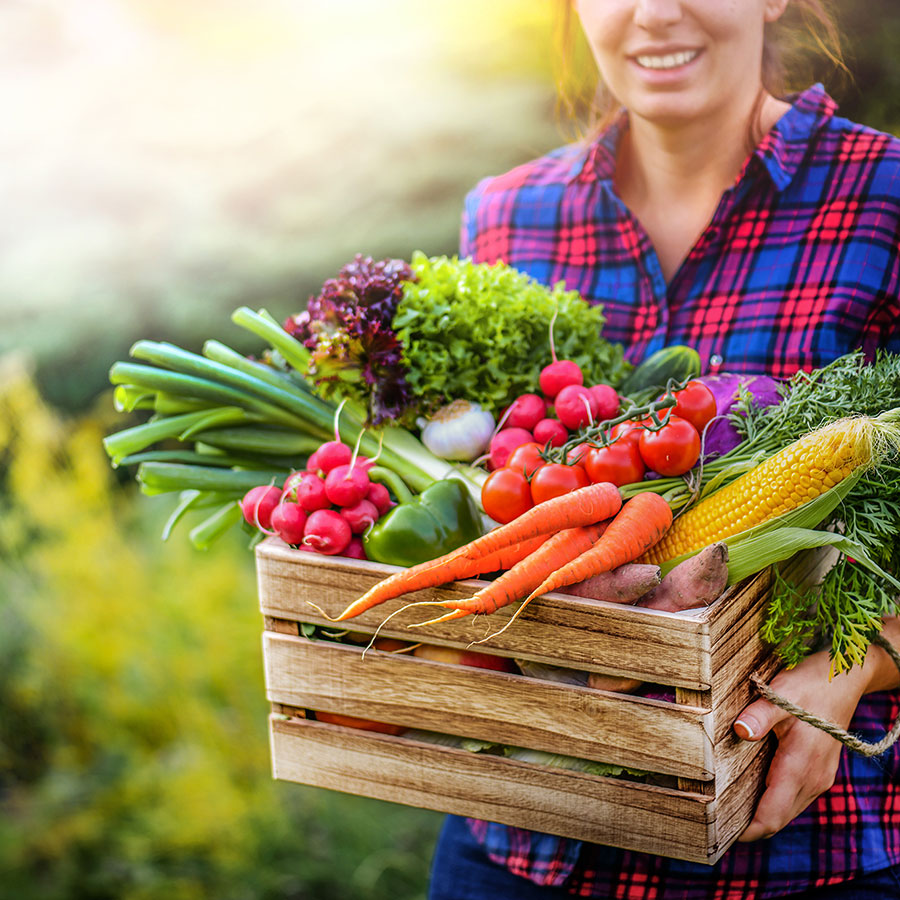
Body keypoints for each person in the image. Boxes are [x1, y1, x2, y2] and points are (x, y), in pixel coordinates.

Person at [428, 1, 900, 897]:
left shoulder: (884, 197)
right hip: (528, 842)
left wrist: (854, 665)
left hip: (803, 850)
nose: (654, 13)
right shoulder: (507, 216)